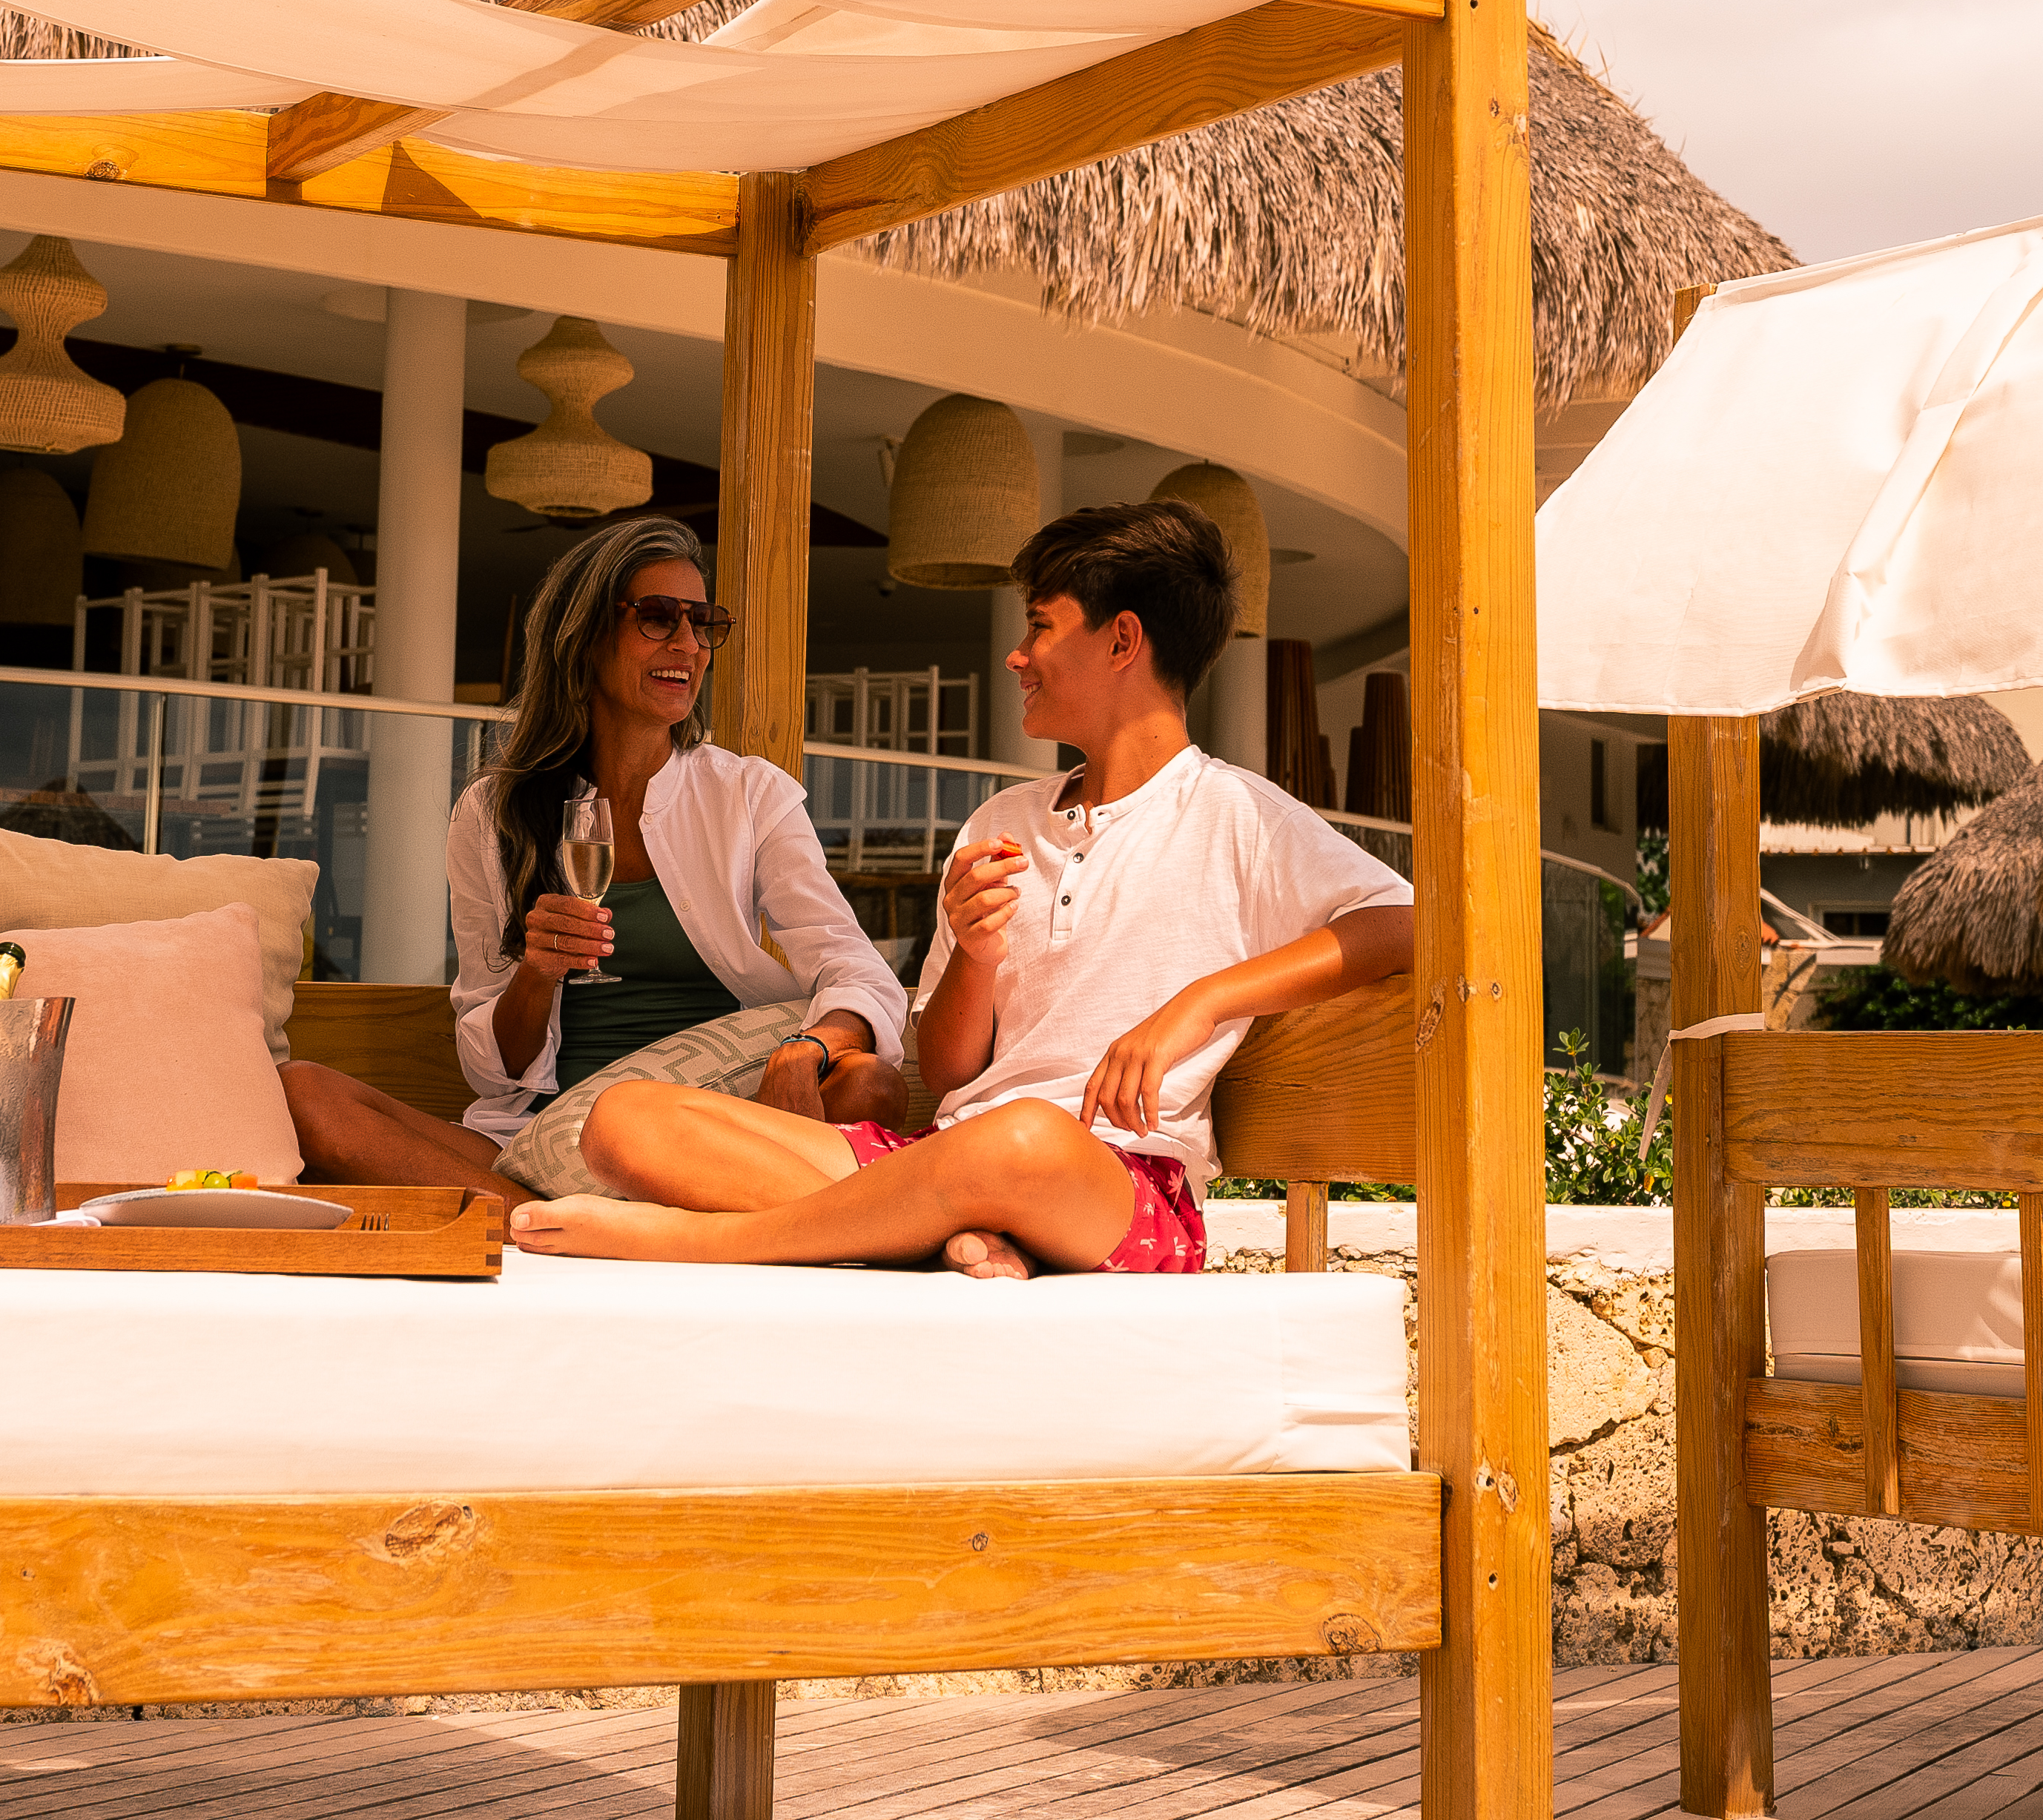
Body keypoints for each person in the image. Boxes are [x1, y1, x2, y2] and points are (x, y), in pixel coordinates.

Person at [509, 498, 1405, 1278]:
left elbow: (1407, 924)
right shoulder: (998, 823)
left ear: (1122, 638)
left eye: (1040, 626)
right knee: (627, 1121)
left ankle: (704, 1242)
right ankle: (947, 1232)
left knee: (1022, 1139)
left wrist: (1198, 1005)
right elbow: (945, 1074)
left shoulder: (1233, 811)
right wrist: (974, 959)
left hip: (1113, 1181)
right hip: (943, 1155)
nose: (1017, 657)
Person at [281, 506, 912, 1196]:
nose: (688, 643)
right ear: (584, 639)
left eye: (701, 623)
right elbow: (491, 1069)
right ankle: (552, 1210)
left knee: (867, 1084)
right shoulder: (494, 814)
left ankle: (527, 1219)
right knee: (305, 1094)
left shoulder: (748, 796)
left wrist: (807, 1049)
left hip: (702, 1127)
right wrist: (536, 973)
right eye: (658, 617)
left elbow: (857, 969)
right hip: (530, 1135)